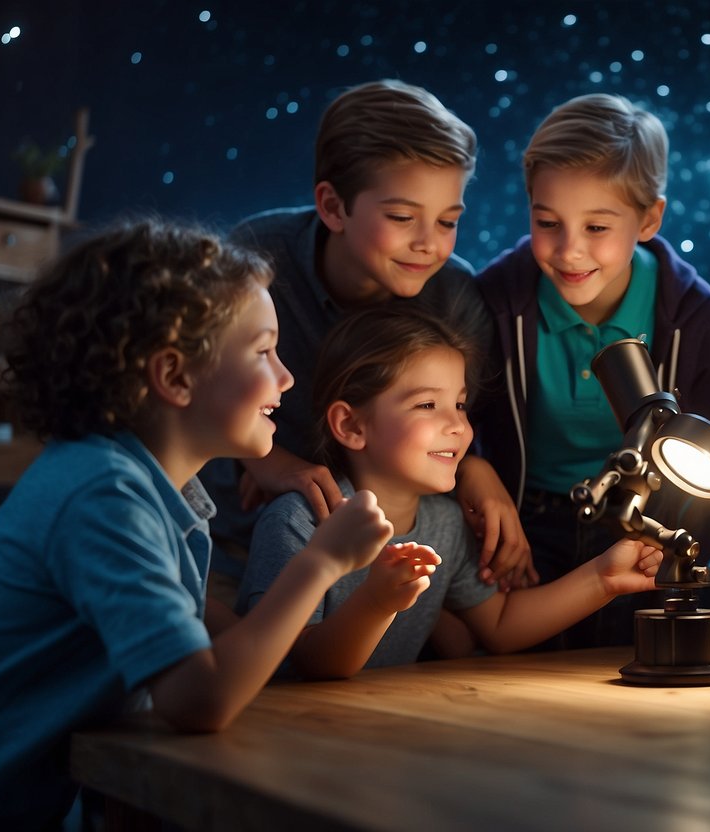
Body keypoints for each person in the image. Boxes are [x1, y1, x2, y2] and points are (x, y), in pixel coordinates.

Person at [0, 221, 399, 830]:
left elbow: (195, 643)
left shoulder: (153, 490)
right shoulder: (103, 495)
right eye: (263, 351)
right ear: (176, 376)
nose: (287, 377)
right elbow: (198, 699)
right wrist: (321, 562)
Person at [473, 93, 710, 648]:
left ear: (649, 218)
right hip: (528, 524)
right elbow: (455, 420)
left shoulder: (691, 312)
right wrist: (476, 476)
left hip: (651, 521)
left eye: (598, 227)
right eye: (547, 222)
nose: (568, 250)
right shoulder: (494, 301)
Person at [202, 78, 530, 607]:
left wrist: (475, 468)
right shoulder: (255, 261)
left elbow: (452, 423)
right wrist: (267, 463)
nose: (428, 243)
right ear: (333, 207)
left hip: (377, 569)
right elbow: (190, 392)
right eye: (402, 218)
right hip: (229, 549)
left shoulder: (454, 301)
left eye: (448, 221)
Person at [238, 304, 664, 677]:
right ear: (351, 426)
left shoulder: (444, 522)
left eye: (459, 404)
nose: (458, 425)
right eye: (428, 405)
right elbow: (304, 665)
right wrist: (377, 600)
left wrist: (603, 577)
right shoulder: (298, 523)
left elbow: (498, 625)